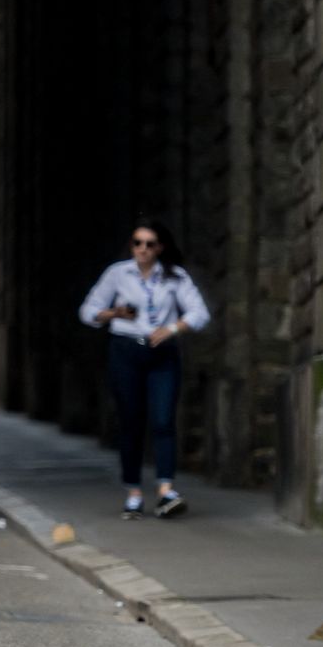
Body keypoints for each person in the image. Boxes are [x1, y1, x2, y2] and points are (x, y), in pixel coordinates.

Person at [79, 219, 210, 520]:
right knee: (131, 422)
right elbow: (87, 311)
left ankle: (165, 491)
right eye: (138, 243)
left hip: (161, 353)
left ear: (160, 248)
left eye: (150, 244)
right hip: (125, 350)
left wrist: (172, 328)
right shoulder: (117, 274)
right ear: (132, 246)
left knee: (164, 420)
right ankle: (134, 493)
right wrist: (115, 313)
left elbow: (199, 313)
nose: (143, 249)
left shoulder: (175, 277)